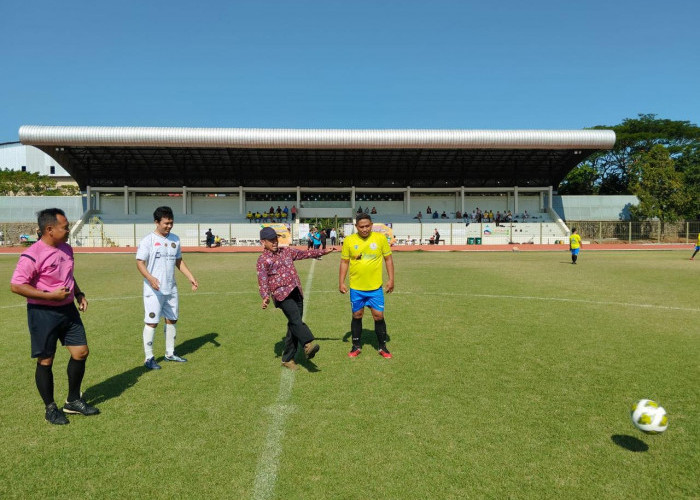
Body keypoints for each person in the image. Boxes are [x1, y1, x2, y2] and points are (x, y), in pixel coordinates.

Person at [10, 208, 100, 425]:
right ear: (49, 229)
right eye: (65, 227)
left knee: (81, 352)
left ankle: (73, 401)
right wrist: (48, 296)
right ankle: (50, 408)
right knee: (46, 360)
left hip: (67, 310)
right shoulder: (32, 254)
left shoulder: (67, 248)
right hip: (43, 313)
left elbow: (68, 274)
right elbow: (16, 285)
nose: (68, 230)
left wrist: (78, 293)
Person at [257, 227, 335, 370]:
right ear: (263, 241)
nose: (275, 242)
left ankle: (287, 358)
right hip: (281, 295)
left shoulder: (286, 251)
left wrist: (323, 251)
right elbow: (262, 279)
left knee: (294, 324)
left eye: (276, 239)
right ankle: (307, 345)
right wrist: (265, 297)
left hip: (295, 291)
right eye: (271, 240)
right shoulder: (263, 260)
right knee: (295, 319)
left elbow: (305, 254)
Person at [136, 206, 199, 370]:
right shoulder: (148, 240)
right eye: (166, 223)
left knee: (172, 319)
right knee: (152, 322)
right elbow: (140, 263)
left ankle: (170, 353)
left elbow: (179, 261)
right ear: (156, 222)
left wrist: (191, 278)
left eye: (171, 223)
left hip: (171, 288)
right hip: (153, 290)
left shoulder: (175, 239)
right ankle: (149, 357)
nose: (169, 226)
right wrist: (150, 278)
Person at [339, 214, 395, 358]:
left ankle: (382, 347)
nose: (365, 229)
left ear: (371, 224)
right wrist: (341, 282)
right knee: (357, 315)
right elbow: (344, 262)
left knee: (378, 316)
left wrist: (391, 279)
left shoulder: (380, 238)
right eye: (361, 226)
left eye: (367, 226)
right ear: (356, 227)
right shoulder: (349, 240)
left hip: (375, 288)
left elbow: (388, 259)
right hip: (356, 288)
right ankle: (356, 346)